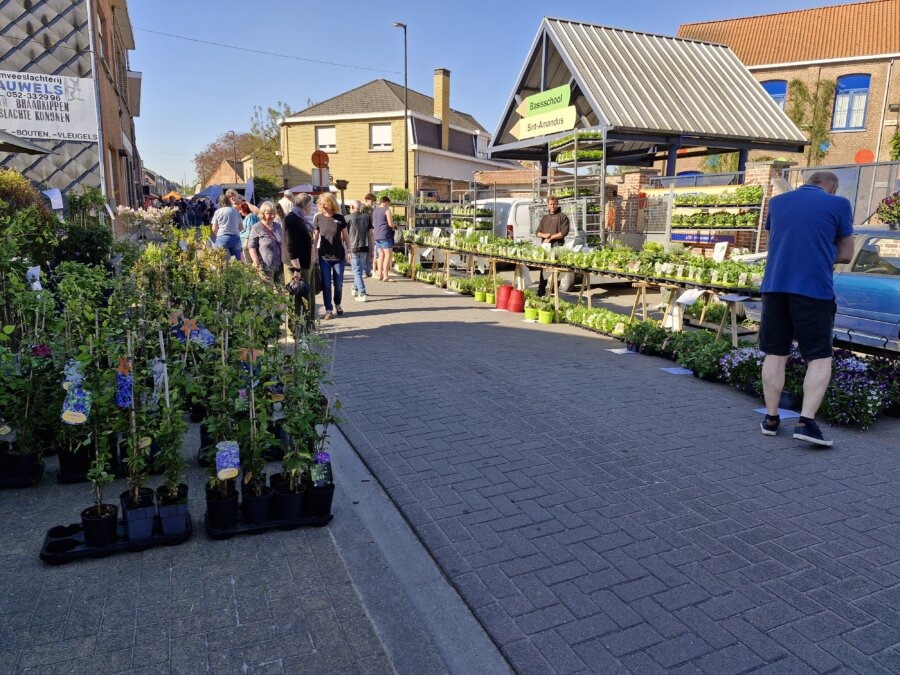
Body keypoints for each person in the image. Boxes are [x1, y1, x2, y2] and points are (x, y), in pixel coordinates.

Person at [759, 171, 854, 447]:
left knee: (775, 354)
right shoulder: (839, 204)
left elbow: (776, 243)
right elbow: (846, 254)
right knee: (819, 357)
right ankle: (806, 423)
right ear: (832, 188)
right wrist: (821, 251)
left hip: (775, 286)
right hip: (813, 290)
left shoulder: (778, 203)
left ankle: (771, 419)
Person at [312, 193, 350, 319]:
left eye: (325, 202)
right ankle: (329, 309)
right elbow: (315, 236)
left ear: (332, 203)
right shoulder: (318, 218)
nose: (323, 205)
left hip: (338, 256)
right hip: (324, 256)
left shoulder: (340, 218)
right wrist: (313, 251)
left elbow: (345, 235)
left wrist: (349, 250)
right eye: (321, 203)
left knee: (338, 283)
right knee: (326, 284)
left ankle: (337, 303)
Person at [282, 194, 315, 327]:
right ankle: (295, 329)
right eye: (310, 205)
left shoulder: (300, 218)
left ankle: (308, 326)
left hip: (305, 263)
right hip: (296, 265)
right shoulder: (292, 219)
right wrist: (296, 269)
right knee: (296, 295)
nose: (311, 208)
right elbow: (290, 246)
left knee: (307, 295)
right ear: (306, 205)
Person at [535, 196, 569, 296]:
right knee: (543, 271)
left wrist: (551, 237)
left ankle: (554, 293)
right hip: (545, 248)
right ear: (547, 205)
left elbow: (564, 233)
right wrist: (544, 235)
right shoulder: (545, 218)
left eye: (554, 204)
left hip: (557, 247)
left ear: (557, 204)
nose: (552, 206)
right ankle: (541, 292)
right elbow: (537, 232)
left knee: (556, 271)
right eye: (550, 204)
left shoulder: (562, 217)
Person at [248, 201, 284, 284]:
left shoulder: (277, 226)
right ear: (262, 213)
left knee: (282, 291)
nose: (272, 216)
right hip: (265, 266)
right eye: (269, 213)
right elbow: (251, 246)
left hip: (280, 265)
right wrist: (256, 262)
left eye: (274, 213)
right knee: (268, 292)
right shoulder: (256, 227)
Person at [346, 200, 375, 301]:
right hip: (365, 247)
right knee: (358, 270)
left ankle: (362, 293)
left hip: (352, 247)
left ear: (353, 207)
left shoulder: (347, 218)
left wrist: (346, 249)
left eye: (350, 206)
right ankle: (354, 288)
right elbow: (371, 234)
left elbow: (343, 236)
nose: (349, 208)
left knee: (357, 271)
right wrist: (372, 249)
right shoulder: (367, 217)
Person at [211, 194, 243, 260]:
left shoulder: (218, 212)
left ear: (220, 202)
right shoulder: (236, 211)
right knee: (237, 262)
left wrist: (218, 234)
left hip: (222, 237)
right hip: (235, 237)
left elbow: (214, 229)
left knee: (218, 261)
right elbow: (241, 227)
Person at [372, 195, 397, 282]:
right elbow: (390, 224)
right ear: (386, 202)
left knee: (380, 255)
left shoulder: (375, 211)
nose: (388, 205)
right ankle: (385, 275)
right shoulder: (387, 210)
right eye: (388, 203)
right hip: (385, 234)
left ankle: (379, 274)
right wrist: (395, 225)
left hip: (377, 235)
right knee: (387, 254)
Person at [363, 192, 377, 277]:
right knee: (365, 250)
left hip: (370, 230)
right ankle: (365, 270)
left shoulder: (372, 210)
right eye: (372, 201)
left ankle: (368, 270)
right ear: (367, 200)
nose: (373, 203)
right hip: (364, 231)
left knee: (370, 250)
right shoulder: (363, 208)